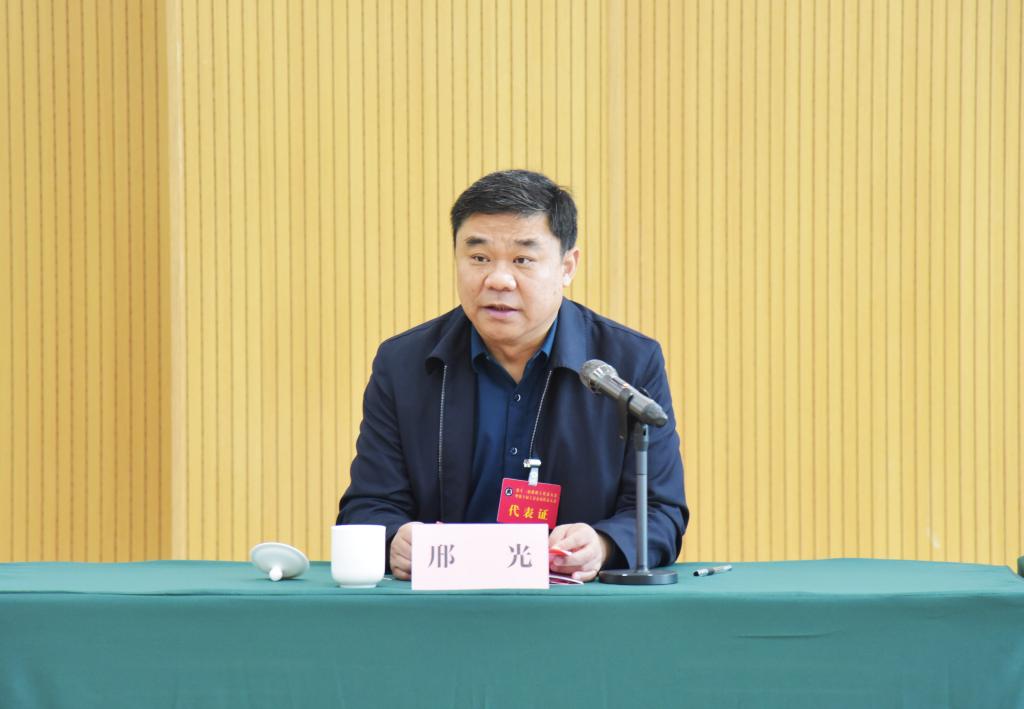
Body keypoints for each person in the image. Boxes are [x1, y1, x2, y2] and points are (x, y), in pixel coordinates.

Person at [337, 170, 688, 581]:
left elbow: (660, 511)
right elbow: (367, 507)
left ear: (567, 266)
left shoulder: (627, 363)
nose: (498, 280)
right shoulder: (405, 365)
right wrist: (394, 538)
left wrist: (603, 544)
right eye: (479, 258)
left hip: (574, 605)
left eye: (523, 260)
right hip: (442, 604)